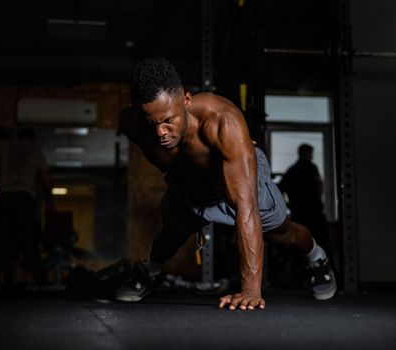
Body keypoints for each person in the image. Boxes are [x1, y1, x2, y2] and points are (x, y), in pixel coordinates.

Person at [115, 57, 336, 310]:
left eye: (168, 120)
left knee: (281, 233)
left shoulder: (221, 122)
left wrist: (251, 289)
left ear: (186, 101)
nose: (160, 133)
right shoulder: (132, 123)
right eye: (151, 123)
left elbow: (246, 206)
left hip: (235, 174)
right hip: (189, 182)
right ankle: (150, 272)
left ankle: (316, 257)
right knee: (173, 231)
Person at [0, 128, 54, 284]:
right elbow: (46, 180)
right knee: (26, 236)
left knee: (2, 235)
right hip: (24, 198)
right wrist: (50, 202)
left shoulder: (4, 146)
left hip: (5, 196)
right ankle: (28, 276)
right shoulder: (36, 151)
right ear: (32, 139)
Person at [279, 144, 329, 252]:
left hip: (298, 213)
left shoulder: (292, 170)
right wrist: (320, 201)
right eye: (310, 154)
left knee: (298, 244)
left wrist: (287, 205)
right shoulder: (311, 168)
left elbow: (280, 188)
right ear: (304, 153)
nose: (312, 157)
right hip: (313, 212)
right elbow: (318, 184)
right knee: (319, 243)